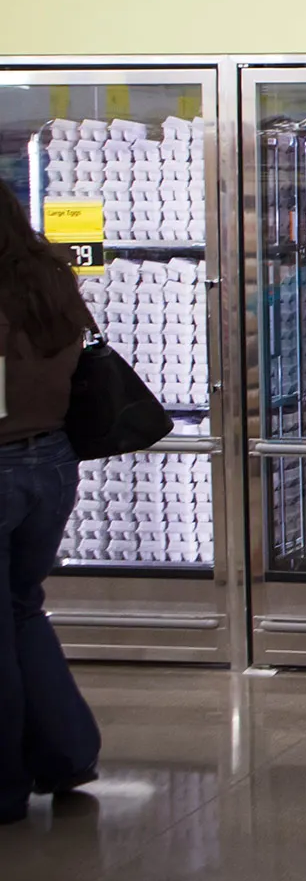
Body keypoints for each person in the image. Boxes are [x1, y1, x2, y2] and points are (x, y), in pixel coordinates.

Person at [0, 185, 101, 826]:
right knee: (22, 610)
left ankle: (5, 787)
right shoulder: (49, 279)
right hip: (52, 463)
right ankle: (67, 756)